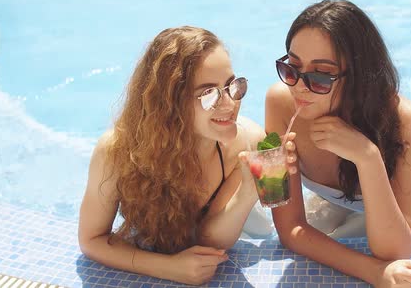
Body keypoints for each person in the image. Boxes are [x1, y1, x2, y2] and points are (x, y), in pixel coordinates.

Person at [266, 0, 411, 287]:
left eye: (320, 76)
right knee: (329, 229)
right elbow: (289, 229)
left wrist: (367, 156)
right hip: (343, 196)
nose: (298, 86)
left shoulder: (406, 119)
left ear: (358, 76)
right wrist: (373, 272)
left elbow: (396, 251)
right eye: (292, 68)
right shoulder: (280, 103)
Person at [78, 26, 269, 285]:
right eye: (209, 93)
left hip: (240, 227)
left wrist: (247, 193)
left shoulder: (247, 143)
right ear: (169, 103)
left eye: (231, 86)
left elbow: (210, 240)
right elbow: (91, 239)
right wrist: (166, 267)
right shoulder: (117, 152)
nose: (230, 104)